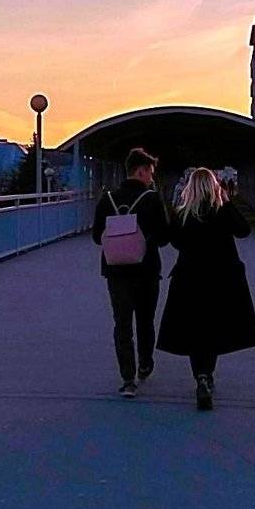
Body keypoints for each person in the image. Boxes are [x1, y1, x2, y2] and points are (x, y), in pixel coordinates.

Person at [156, 167, 255, 411]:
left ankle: (201, 375)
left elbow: (174, 241)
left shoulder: (183, 213)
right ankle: (208, 374)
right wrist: (227, 201)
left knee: (195, 329)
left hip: (189, 279)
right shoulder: (222, 211)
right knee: (213, 328)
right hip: (221, 279)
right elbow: (244, 231)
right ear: (215, 187)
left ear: (190, 188)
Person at [91, 147, 170, 397]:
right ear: (141, 171)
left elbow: (97, 237)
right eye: (150, 173)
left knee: (122, 323)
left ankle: (128, 378)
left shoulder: (108, 199)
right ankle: (145, 363)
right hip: (146, 271)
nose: (151, 178)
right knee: (145, 321)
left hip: (116, 271)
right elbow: (164, 237)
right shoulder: (152, 199)